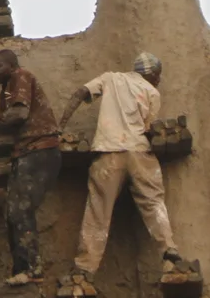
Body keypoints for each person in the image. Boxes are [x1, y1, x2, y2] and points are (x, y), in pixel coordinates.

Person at [56, 54, 182, 278]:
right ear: (152, 74)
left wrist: (60, 126)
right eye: (158, 76)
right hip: (139, 152)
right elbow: (148, 128)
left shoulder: (110, 78)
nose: (159, 80)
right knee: (153, 203)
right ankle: (169, 252)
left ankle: (85, 268)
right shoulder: (152, 92)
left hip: (108, 153)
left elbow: (80, 93)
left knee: (98, 212)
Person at [0, 49, 63, 285]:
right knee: (13, 212)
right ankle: (22, 269)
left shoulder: (20, 76)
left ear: (11, 65)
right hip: (26, 152)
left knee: (20, 210)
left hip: (40, 150)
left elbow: (19, 114)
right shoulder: (6, 90)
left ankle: (31, 269)